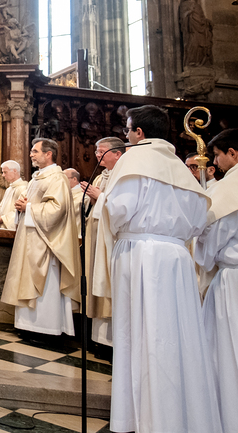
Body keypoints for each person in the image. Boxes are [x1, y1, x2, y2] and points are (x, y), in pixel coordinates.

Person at [92, 105, 222, 433]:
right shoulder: (179, 166)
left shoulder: (135, 159)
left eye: (127, 129)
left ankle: (142, 419)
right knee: (176, 335)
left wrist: (103, 204)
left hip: (139, 254)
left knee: (138, 334)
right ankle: (177, 417)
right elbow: (200, 219)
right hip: (177, 257)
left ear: (138, 133)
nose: (126, 135)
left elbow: (119, 209)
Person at [1, 138, 80, 337]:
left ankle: (46, 329)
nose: (31, 154)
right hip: (29, 238)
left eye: (35, 151)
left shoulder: (57, 178)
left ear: (48, 154)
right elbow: (31, 204)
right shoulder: (37, 178)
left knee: (46, 285)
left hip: (46, 242)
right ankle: (27, 327)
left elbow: (57, 209)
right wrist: (21, 207)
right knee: (26, 280)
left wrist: (28, 208)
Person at [193, 128, 238, 431]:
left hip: (232, 281)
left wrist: (203, 254)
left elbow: (213, 239)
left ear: (232, 153)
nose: (216, 163)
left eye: (218, 156)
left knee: (226, 351)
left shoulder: (230, 188)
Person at [80, 136, 125, 350]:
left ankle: (112, 341)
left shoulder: (124, 175)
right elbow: (91, 208)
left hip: (112, 240)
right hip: (96, 236)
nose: (98, 155)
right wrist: (91, 198)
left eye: (102, 151)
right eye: (97, 151)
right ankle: (98, 340)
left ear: (117, 154)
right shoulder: (99, 177)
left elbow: (122, 207)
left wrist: (100, 196)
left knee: (109, 282)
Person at [0, 160, 27, 229]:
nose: (3, 175)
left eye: (5, 172)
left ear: (14, 171)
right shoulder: (9, 189)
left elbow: (20, 210)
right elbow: (1, 207)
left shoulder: (23, 188)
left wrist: (3, 219)